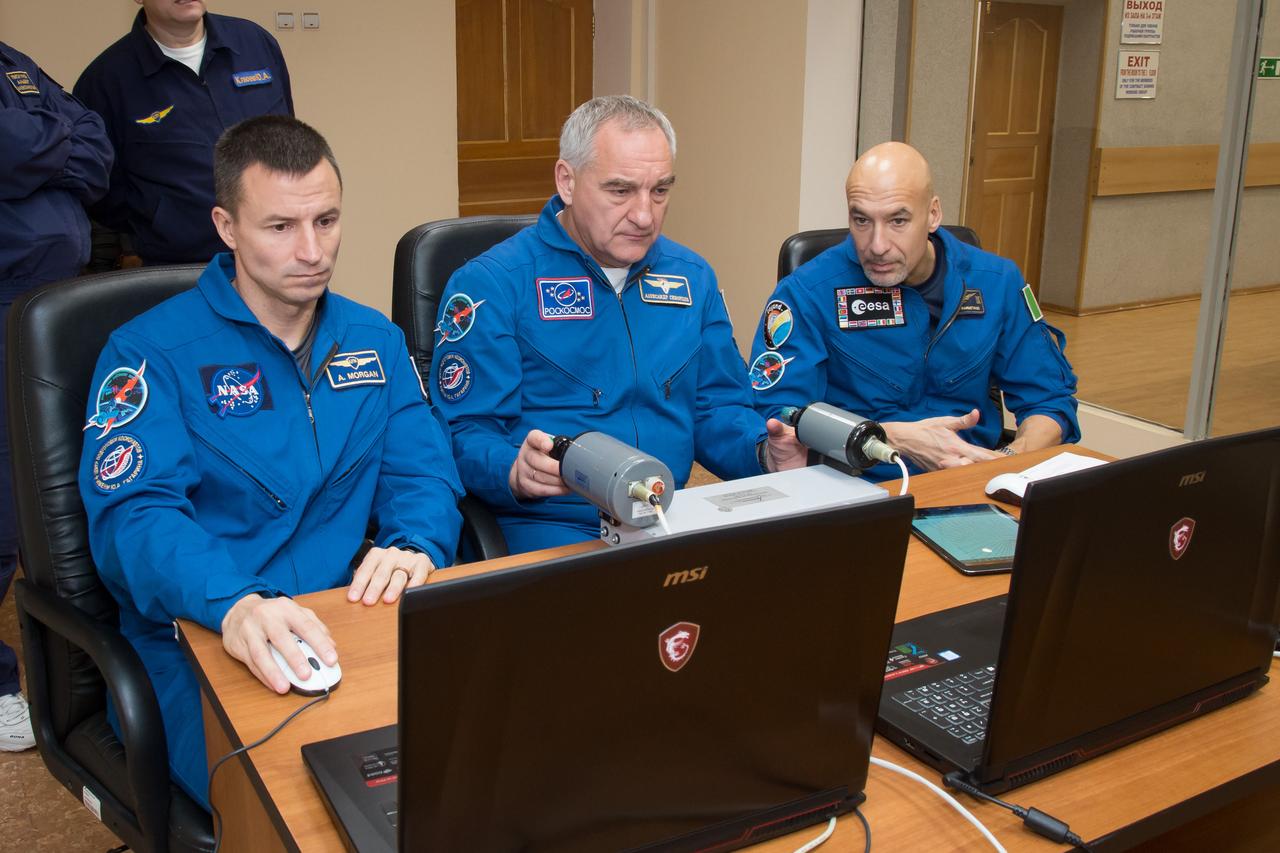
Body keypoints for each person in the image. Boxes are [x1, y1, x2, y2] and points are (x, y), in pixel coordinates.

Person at [78, 115, 462, 809]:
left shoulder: (374, 340)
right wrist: (234, 600)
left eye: (327, 220)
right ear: (226, 226)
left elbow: (422, 471)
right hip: (199, 640)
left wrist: (416, 541)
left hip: (347, 621)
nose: (311, 250)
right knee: (307, 813)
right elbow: (135, 517)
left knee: (478, 762)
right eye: (280, 227)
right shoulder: (147, 355)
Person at [431, 95, 805, 554]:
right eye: (621, 190)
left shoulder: (692, 276)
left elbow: (715, 407)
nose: (645, 215)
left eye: (660, 191)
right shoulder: (494, 284)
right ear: (567, 181)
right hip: (552, 525)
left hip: (670, 516)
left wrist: (763, 452)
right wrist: (512, 468)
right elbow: (461, 432)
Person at [748, 142, 1079, 479]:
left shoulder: (996, 282)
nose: (877, 245)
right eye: (861, 220)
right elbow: (781, 418)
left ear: (933, 214)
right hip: (861, 484)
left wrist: (1004, 463)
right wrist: (888, 437)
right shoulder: (807, 292)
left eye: (898, 221)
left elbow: (1049, 400)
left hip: (974, 479)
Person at [1, 41, 114, 751]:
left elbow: (97, 149)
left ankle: (76, 663)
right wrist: (53, 143)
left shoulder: (13, 61)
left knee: (53, 489)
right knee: (5, 500)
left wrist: (44, 145)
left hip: (49, 297)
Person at [74, 0, 293, 265]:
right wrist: (166, 220)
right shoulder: (106, 80)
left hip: (281, 251)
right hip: (183, 266)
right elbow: (105, 193)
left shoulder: (254, 43)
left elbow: (289, 140)